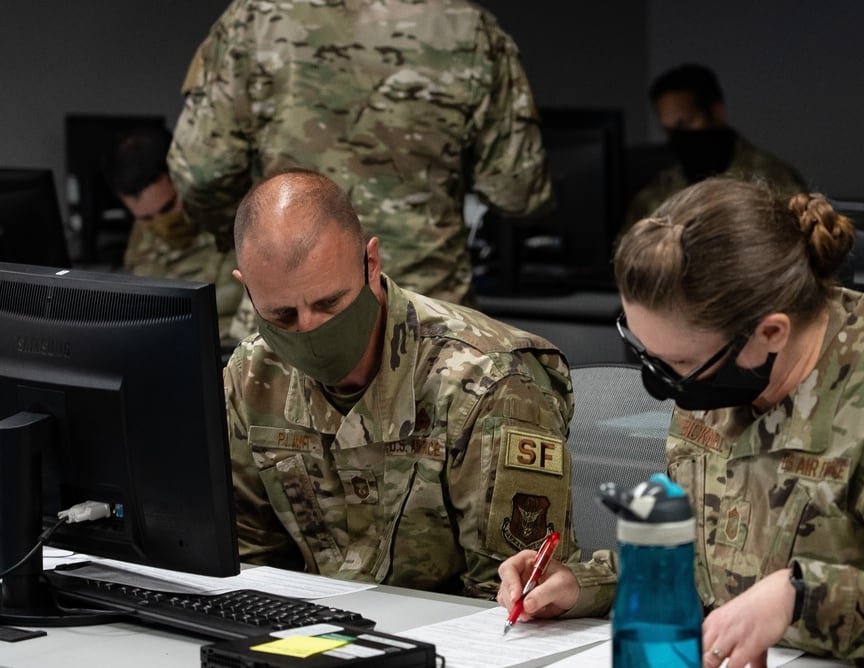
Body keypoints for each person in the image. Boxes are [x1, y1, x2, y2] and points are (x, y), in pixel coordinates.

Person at [497, 177, 864, 667]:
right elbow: (703, 559)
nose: (662, 384)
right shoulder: (726, 380)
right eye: (647, 354)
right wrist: (582, 583)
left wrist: (801, 597)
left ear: (770, 332)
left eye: (681, 365)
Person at [226, 169, 577, 599]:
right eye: (282, 315)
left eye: (329, 303)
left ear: (371, 264)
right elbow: (247, 563)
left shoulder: (488, 380)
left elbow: (508, 591)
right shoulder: (253, 373)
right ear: (247, 289)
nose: (310, 332)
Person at [168, 0, 554, 336]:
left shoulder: (252, 20)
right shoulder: (469, 29)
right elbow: (518, 190)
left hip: (292, 323)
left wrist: (257, 244)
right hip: (426, 321)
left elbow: (202, 173)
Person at [102, 126, 243, 340]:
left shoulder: (240, 210)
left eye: (168, 208)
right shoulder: (142, 236)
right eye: (146, 218)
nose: (161, 223)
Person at [625, 63, 807, 226]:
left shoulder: (772, 182)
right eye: (668, 130)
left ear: (716, 112)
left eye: (685, 123)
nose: (678, 138)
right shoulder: (660, 189)